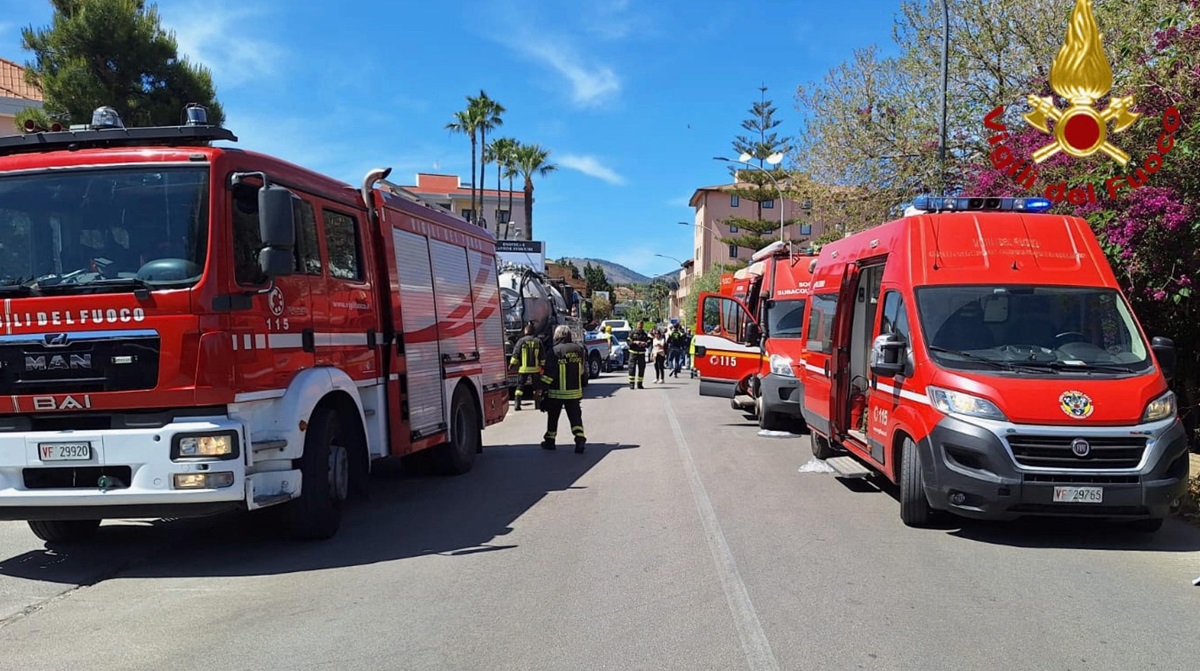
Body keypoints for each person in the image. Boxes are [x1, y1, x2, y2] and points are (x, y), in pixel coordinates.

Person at [539, 325, 588, 453]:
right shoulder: (578, 349)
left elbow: (550, 373)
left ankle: (550, 441)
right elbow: (582, 370)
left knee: (553, 417)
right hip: (574, 393)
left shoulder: (555, 351)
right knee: (575, 418)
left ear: (558, 336)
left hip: (556, 393)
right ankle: (580, 439)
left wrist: (542, 390)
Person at [508, 322, 545, 411]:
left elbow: (515, 354)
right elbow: (542, 356)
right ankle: (538, 405)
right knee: (537, 388)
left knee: (520, 387)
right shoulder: (538, 341)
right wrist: (543, 367)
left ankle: (517, 405)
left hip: (523, 369)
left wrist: (511, 365)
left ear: (526, 331)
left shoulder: (521, 341)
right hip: (535, 369)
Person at [626, 320, 651, 389]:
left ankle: (640, 384)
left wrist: (645, 343)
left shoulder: (644, 334)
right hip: (633, 353)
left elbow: (649, 341)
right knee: (632, 368)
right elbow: (628, 341)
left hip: (641, 354)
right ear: (637, 325)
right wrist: (634, 342)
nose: (640, 327)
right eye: (639, 325)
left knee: (642, 368)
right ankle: (631, 384)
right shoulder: (632, 333)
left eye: (641, 325)